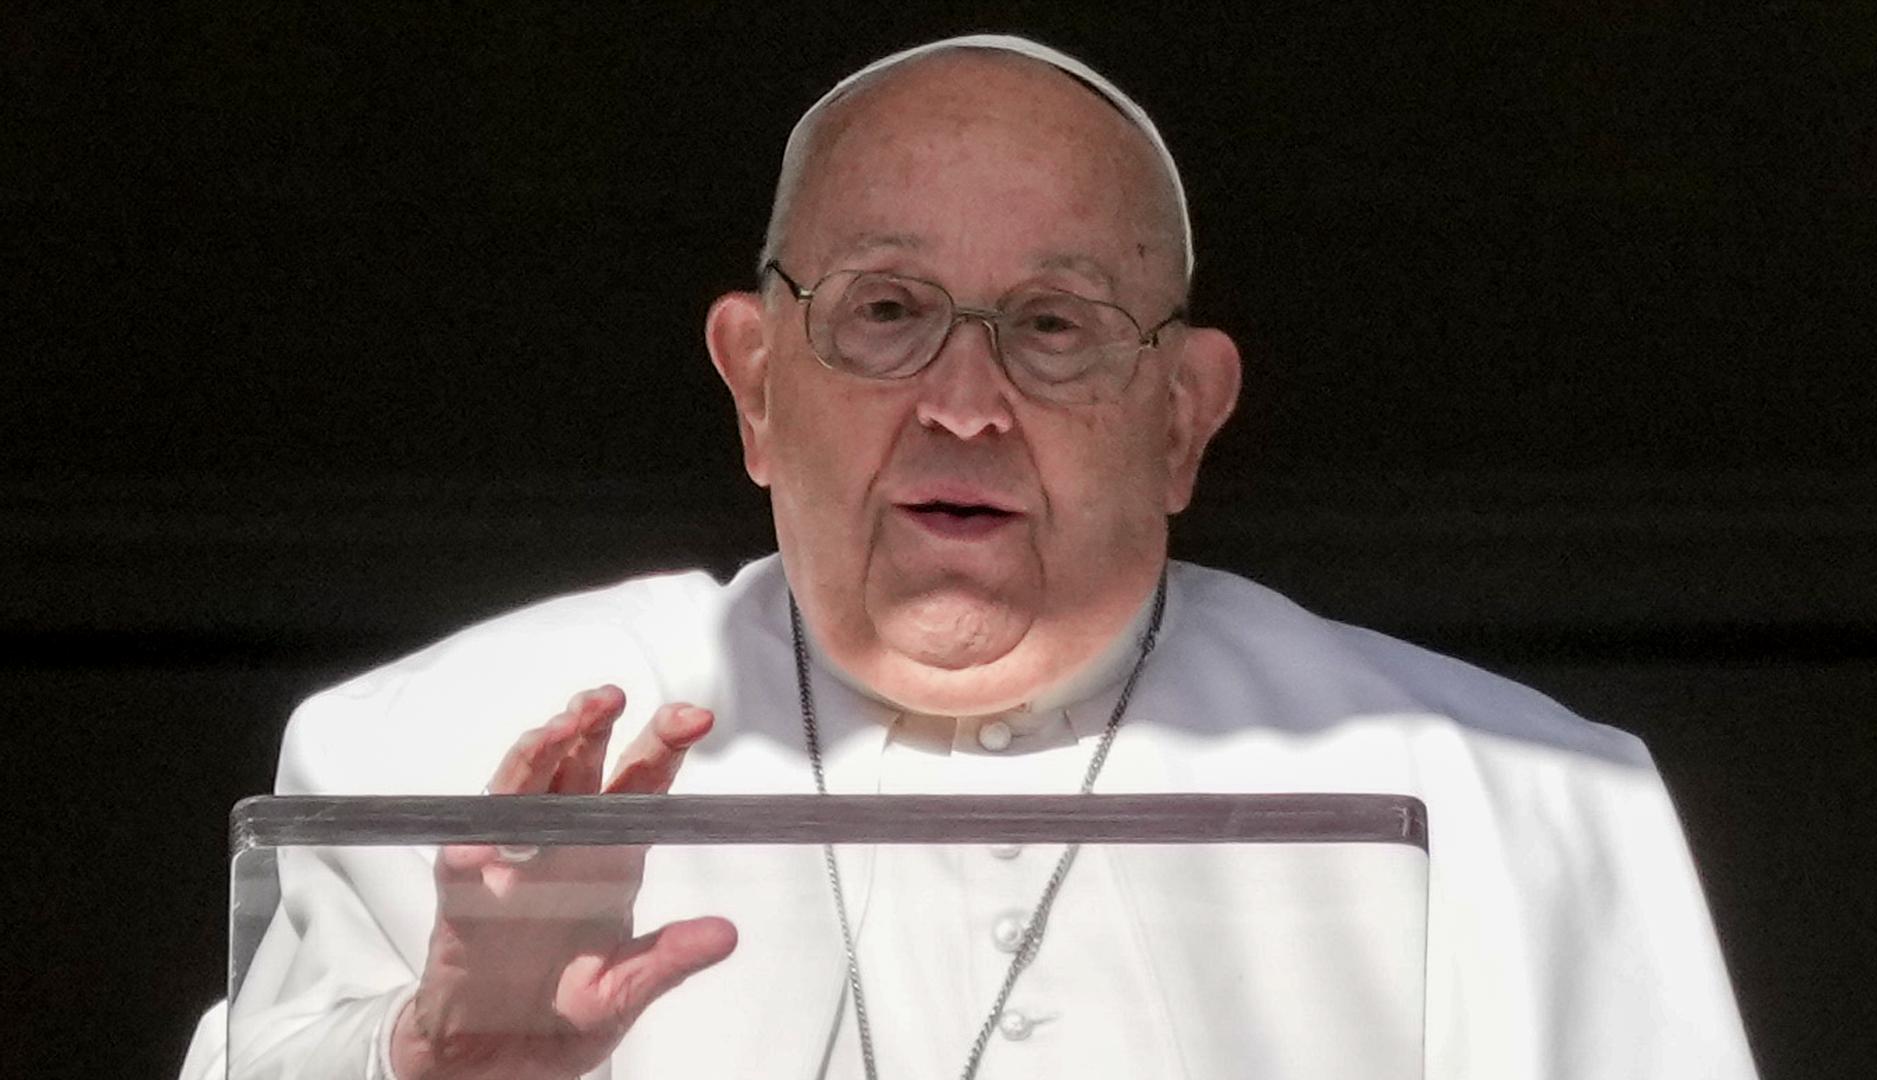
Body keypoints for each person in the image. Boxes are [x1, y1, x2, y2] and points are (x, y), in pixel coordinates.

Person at [180, 34, 1757, 1080]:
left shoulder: (1511, 802)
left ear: (1184, 417)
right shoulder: (433, 758)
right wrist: (432, 1064)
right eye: (886, 312)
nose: (964, 403)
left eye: (1055, 327)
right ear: (754, 387)